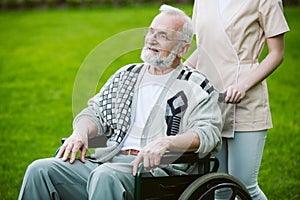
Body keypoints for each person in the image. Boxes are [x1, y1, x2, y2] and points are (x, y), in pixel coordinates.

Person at [18, 4, 223, 200]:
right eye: (151, 32)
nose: (152, 39)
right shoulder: (126, 75)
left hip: (156, 172)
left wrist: (165, 142)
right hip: (108, 160)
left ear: (182, 49)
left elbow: (208, 133)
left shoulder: (196, 85)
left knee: (106, 175)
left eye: (163, 36)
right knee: (40, 170)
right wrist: (79, 133)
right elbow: (95, 113)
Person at [185, 0, 290, 199]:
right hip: (210, 104)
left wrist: (242, 86)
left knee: (245, 187)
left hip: (246, 102)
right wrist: (178, 73)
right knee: (218, 189)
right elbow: (204, 49)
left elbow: (277, 53)